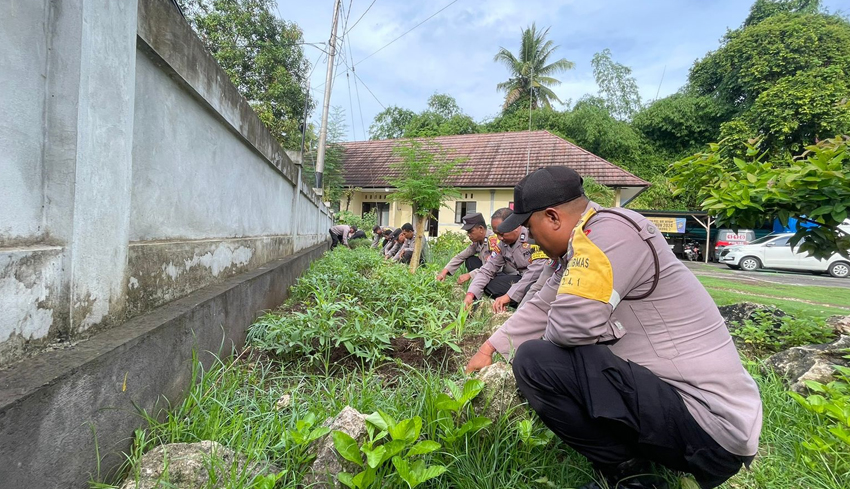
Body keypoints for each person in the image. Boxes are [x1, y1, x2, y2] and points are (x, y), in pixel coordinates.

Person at [465, 166, 762, 489]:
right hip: (690, 417)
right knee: (550, 355)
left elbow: (571, 328)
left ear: (552, 217)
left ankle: (633, 476)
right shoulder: (584, 242)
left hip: (710, 426)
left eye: (530, 226)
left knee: (537, 361)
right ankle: (639, 468)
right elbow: (543, 304)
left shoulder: (608, 234)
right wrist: (489, 349)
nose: (531, 237)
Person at [463, 208, 547, 313]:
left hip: (541, 281)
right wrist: (471, 294)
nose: (499, 238)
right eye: (496, 233)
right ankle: (516, 303)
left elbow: (534, 274)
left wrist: (508, 296)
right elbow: (487, 269)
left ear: (515, 226)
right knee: (490, 285)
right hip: (521, 278)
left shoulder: (533, 238)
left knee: (529, 288)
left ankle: (526, 309)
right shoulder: (502, 244)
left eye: (502, 234)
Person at [435, 212, 499, 284]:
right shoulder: (477, 242)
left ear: (481, 228)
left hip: (499, 273)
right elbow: (460, 257)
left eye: (471, 231)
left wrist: (470, 275)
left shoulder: (494, 240)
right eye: (467, 232)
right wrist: (444, 272)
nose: (469, 235)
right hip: (487, 270)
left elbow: (493, 267)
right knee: (470, 260)